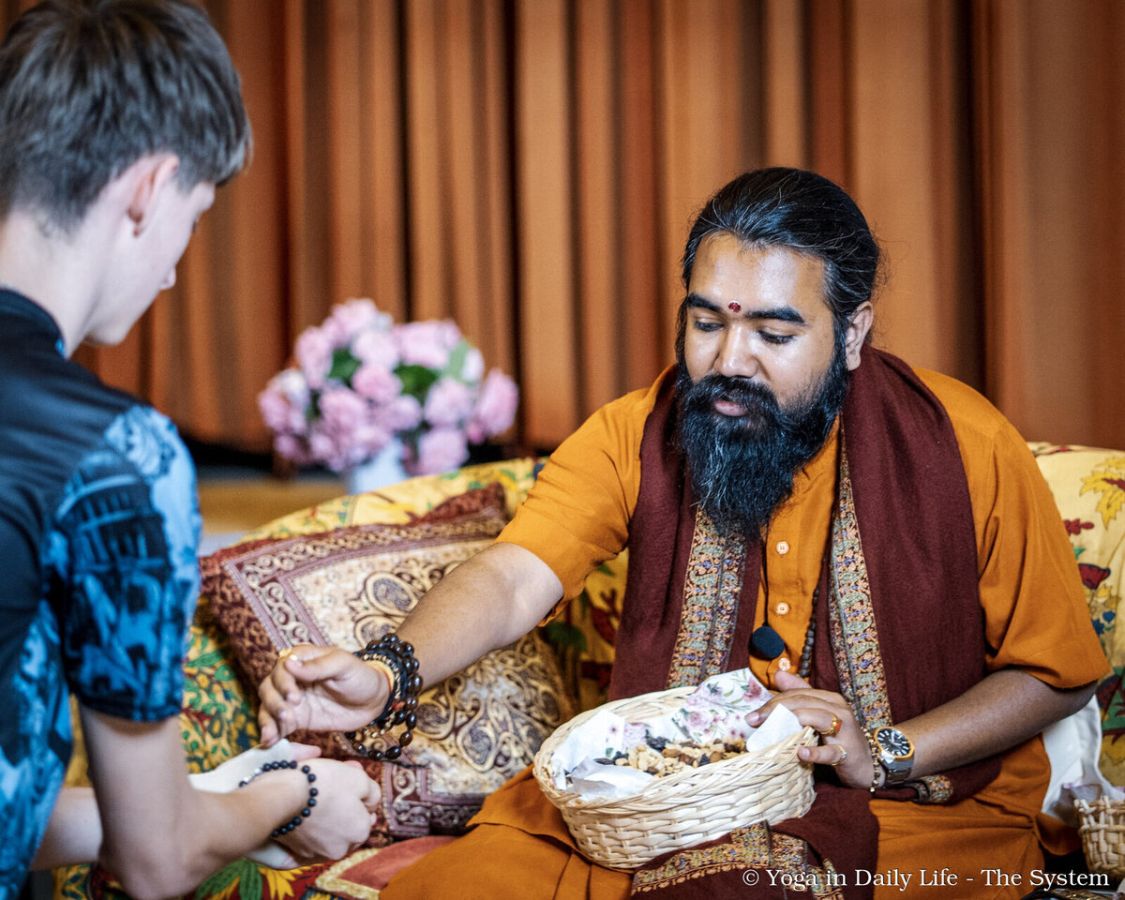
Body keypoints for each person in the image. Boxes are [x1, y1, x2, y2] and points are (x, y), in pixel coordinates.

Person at [258, 167, 1106, 898]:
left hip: (908, 807)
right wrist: (388, 670)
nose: (730, 361)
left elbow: (1052, 674)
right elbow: (514, 575)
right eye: (706, 324)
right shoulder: (635, 433)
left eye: (773, 333)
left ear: (851, 333)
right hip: (652, 805)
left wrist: (883, 750)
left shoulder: (966, 444)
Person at [0, 1, 381, 896]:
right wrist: (291, 791)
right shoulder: (117, 457)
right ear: (148, 188)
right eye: (196, 215)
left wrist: (211, 794)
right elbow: (157, 861)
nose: (175, 268)